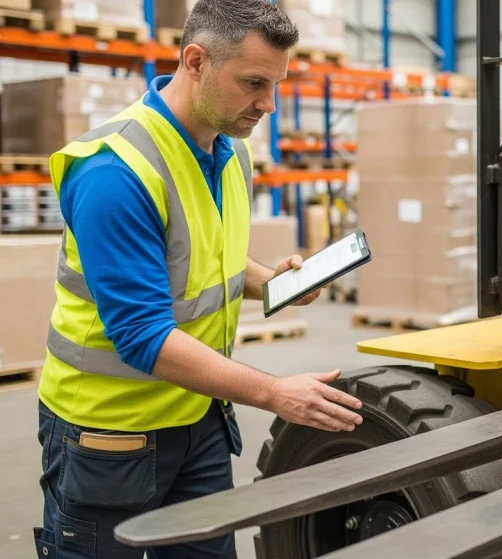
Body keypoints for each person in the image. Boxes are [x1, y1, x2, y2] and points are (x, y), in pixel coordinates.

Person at [33, 1, 362, 557]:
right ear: (195, 61)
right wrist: (274, 393)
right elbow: (141, 335)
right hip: (110, 434)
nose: (269, 105)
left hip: (200, 414)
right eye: (254, 83)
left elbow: (205, 259)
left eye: (276, 85)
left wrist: (272, 283)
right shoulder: (115, 172)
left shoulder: (228, 152)